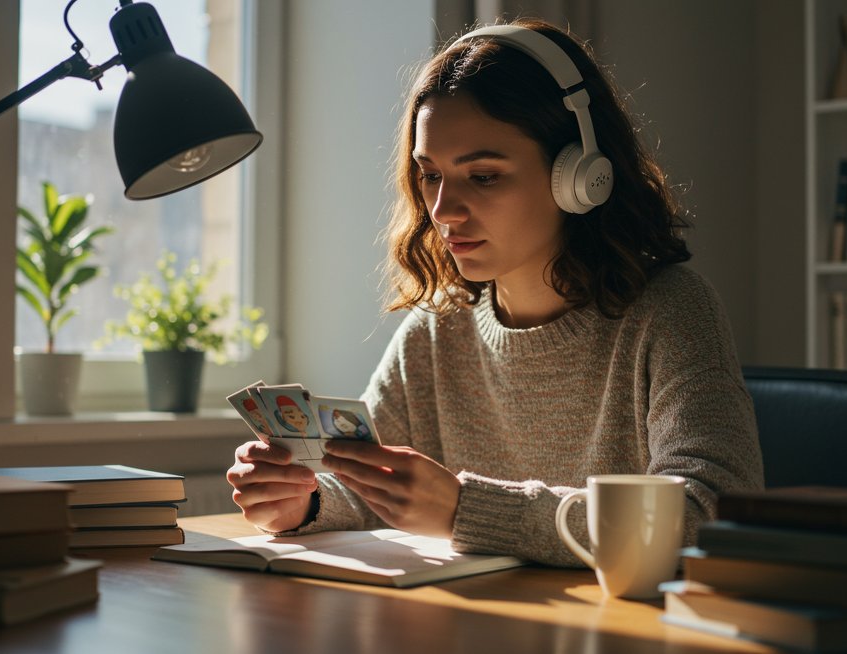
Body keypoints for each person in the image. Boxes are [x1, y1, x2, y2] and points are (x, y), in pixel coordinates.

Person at [227, 17, 763, 567]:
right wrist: (303, 502)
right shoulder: (435, 333)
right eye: (430, 175)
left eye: (483, 176)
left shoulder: (670, 312)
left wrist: (467, 509)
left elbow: (709, 514)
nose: (442, 212)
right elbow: (377, 487)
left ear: (579, 176)